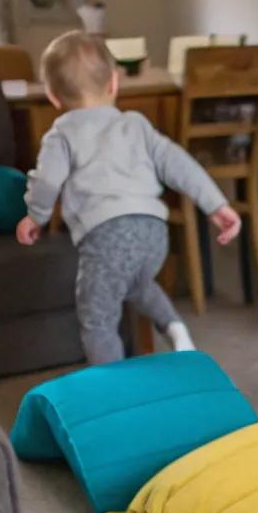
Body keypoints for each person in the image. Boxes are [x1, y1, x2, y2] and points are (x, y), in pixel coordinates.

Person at [15, 31, 240, 364]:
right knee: (135, 283)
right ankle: (176, 329)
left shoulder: (61, 134)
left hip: (106, 236)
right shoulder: (136, 124)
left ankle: (114, 388)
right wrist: (216, 204)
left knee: (97, 320)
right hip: (154, 233)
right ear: (114, 83)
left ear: (53, 96)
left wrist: (36, 216)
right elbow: (179, 163)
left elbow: (47, 181)